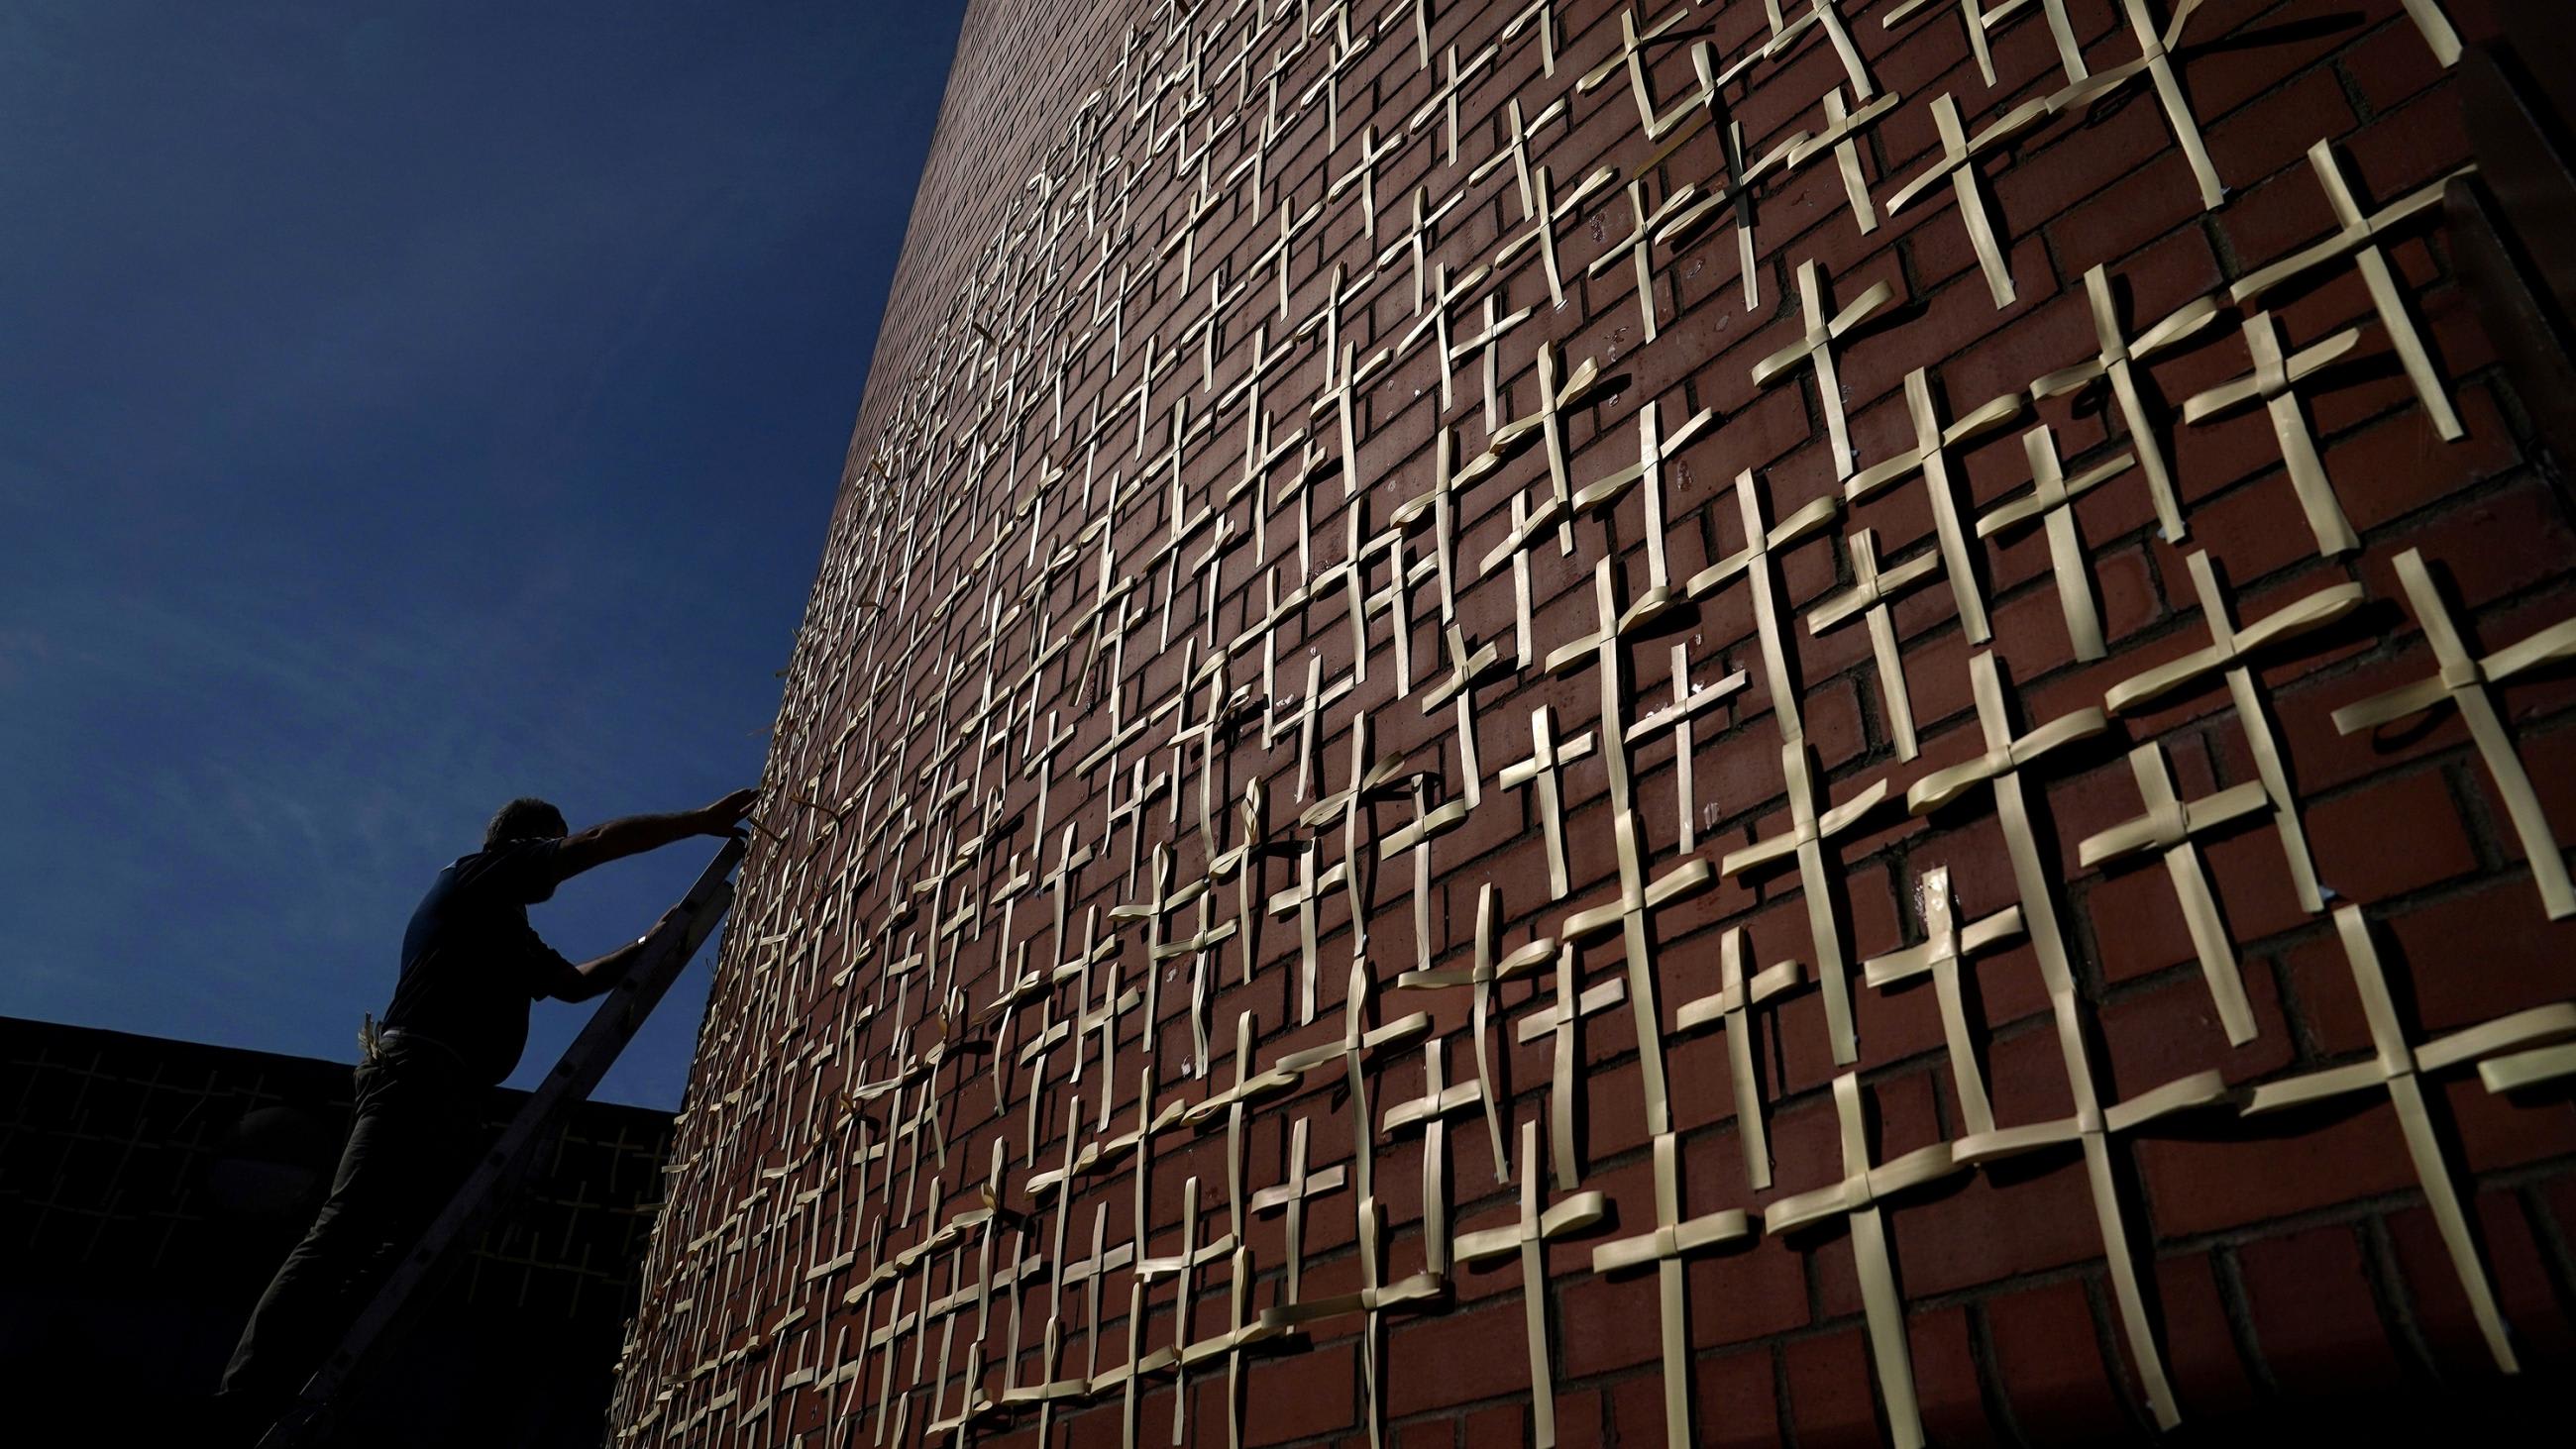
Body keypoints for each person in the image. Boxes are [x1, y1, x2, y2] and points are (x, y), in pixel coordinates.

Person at [207, 788, 759, 1444]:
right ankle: (241, 1397)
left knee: (414, 1242)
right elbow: (595, 840)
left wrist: (653, 937)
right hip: (416, 1075)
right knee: (347, 1224)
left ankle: (309, 1366)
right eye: (547, 841)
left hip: (452, 1094)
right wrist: (696, 823)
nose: (555, 859)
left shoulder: (506, 926)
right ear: (521, 841)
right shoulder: (479, 874)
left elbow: (576, 982)